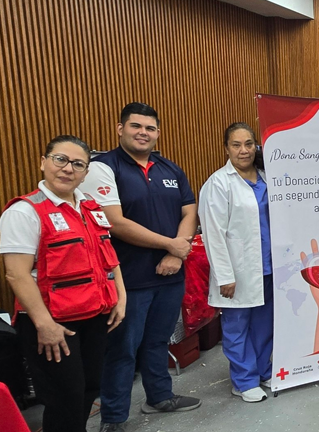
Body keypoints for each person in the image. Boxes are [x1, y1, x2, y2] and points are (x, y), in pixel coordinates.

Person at [80, 103, 201, 432]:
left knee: (158, 341)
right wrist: (169, 245)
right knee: (122, 349)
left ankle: (160, 397)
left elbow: (189, 211)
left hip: (170, 274)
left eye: (149, 128)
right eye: (136, 126)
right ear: (120, 129)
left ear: (158, 133)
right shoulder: (103, 167)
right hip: (128, 279)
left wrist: (177, 253)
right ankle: (114, 418)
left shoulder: (169, 168)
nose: (143, 133)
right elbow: (115, 222)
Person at [1, 135, 126, 432]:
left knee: (89, 388)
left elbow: (109, 258)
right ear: (43, 162)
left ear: (85, 173)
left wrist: (121, 298)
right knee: (64, 398)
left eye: (78, 164)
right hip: (53, 323)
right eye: (60, 159)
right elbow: (16, 274)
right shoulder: (24, 212)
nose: (68, 168)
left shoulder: (91, 208)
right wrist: (45, 325)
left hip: (95, 316)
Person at [198, 123, 273, 403]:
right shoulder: (219, 183)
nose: (244, 151)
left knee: (264, 326)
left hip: (268, 268)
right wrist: (224, 275)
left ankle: (263, 370)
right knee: (237, 327)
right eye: (236, 145)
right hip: (238, 271)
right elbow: (213, 234)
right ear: (226, 148)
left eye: (249, 144)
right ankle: (243, 380)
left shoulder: (266, 179)